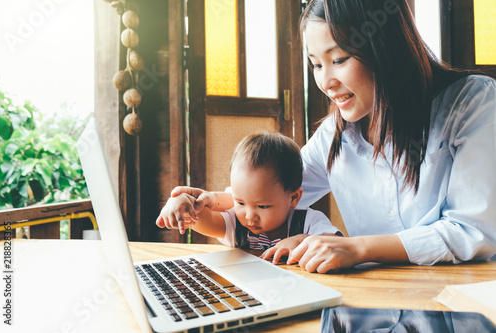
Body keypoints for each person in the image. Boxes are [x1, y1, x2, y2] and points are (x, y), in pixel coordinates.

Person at [158, 0, 496, 273]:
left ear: (385, 49)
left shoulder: (472, 103)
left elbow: (473, 232)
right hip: (376, 301)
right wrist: (208, 200)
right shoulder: (335, 135)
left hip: (462, 301)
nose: (326, 82)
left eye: (339, 59)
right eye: (316, 65)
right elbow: (277, 190)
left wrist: (355, 248)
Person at [156, 132, 340, 263]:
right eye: (240, 202)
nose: (250, 216)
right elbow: (205, 220)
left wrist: (300, 240)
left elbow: (339, 244)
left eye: (263, 206)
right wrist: (182, 203)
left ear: (294, 198)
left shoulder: (307, 221)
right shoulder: (237, 224)